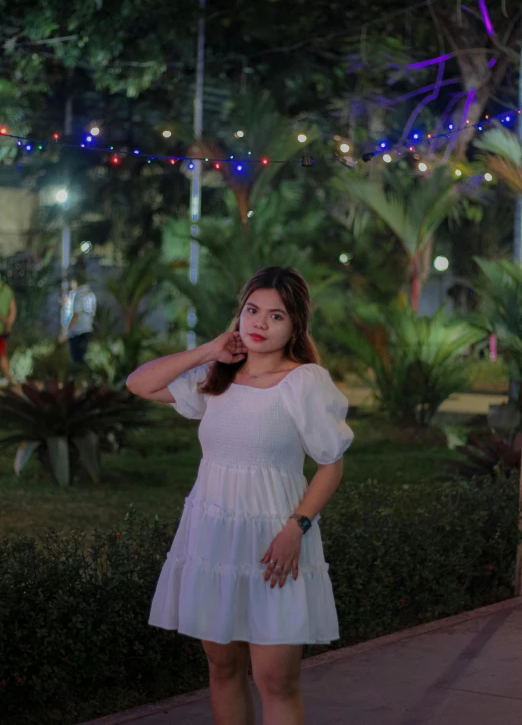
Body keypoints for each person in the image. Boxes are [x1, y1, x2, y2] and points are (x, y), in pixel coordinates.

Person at [127, 266, 354, 725]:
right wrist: (212, 349)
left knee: (275, 680)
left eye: (276, 316)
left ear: (295, 327)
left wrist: (298, 527)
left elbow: (331, 464)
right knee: (222, 667)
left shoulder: (304, 382)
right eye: (252, 310)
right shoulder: (219, 378)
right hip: (215, 540)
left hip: (278, 543)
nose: (259, 323)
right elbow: (139, 383)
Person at [61, 269, 97, 364]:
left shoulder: (79, 294)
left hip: (78, 331)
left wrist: (67, 330)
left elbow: (76, 314)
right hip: (88, 328)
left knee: (77, 359)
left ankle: (79, 377)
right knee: (84, 357)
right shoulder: (90, 294)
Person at [0, 277, 17, 384]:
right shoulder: (7, 289)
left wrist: (4, 319)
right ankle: (10, 380)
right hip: (3, 329)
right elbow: (13, 309)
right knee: (2, 354)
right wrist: (8, 323)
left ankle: (10, 381)